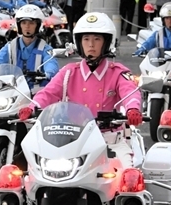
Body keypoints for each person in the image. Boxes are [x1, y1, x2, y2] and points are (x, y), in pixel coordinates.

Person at [18, 12, 143, 163]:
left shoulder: (117, 72)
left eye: (97, 39)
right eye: (86, 39)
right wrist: (32, 107)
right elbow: (48, 93)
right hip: (71, 140)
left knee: (128, 176)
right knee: (33, 171)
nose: (91, 44)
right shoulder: (69, 72)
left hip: (110, 141)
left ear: (107, 42)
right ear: (79, 42)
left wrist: (132, 109)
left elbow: (130, 93)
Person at [0, 4, 59, 91]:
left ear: (38, 26)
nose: (27, 26)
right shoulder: (11, 46)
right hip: (14, 91)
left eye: (31, 23)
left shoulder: (45, 48)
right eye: (24, 23)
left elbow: (51, 63)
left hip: (37, 94)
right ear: (19, 25)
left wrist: (49, 73)